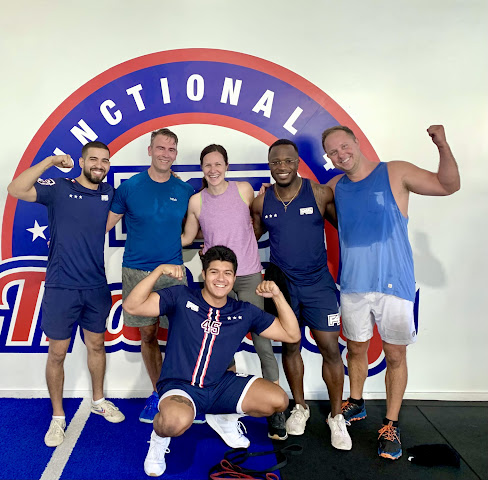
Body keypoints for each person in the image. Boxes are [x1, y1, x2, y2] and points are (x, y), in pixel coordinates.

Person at [323, 124, 460, 460]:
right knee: (355, 349)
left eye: (344, 146)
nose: (341, 155)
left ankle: (391, 424)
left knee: (395, 355)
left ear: (356, 142)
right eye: (333, 152)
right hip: (354, 284)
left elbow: (449, 186)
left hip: (394, 284)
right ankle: (356, 402)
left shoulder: (395, 172)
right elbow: (319, 209)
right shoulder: (335, 187)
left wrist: (442, 145)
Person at [122, 246, 300, 477]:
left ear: (234, 278)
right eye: (214, 272)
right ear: (204, 274)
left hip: (219, 386)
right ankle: (159, 438)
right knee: (173, 423)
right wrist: (158, 272)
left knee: (279, 400)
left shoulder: (243, 311)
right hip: (180, 386)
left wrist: (277, 296)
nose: (221, 278)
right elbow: (132, 306)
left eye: (227, 273)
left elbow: (291, 335)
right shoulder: (181, 296)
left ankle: (222, 417)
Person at [7, 141, 125, 447]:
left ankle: (98, 401)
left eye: (105, 160)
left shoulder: (109, 193)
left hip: (96, 286)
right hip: (61, 287)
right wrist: (50, 161)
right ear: (82, 162)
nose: (99, 165)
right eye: (93, 159)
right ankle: (58, 417)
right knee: (57, 353)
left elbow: (133, 203)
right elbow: (16, 189)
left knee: (96, 346)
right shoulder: (59, 188)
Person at [252, 139, 351, 451]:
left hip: (318, 285)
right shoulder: (261, 203)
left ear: (297, 163)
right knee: (290, 347)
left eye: (287, 161)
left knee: (330, 349)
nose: (282, 167)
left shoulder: (320, 193)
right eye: (275, 162)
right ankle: (300, 407)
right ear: (270, 165)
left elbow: (350, 228)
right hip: (283, 286)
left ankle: (336, 416)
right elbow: (246, 237)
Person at [180, 144, 283, 439]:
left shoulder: (243, 190)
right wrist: (153, 241)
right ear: (202, 168)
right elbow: (187, 237)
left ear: (226, 166)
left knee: (262, 341)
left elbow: (260, 218)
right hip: (218, 280)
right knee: (220, 343)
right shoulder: (196, 201)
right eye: (207, 165)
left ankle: (276, 410)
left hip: (248, 274)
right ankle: (226, 405)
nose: (213, 170)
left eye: (218, 164)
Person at [106, 128, 194, 423]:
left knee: (182, 336)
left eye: (171, 149)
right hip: (136, 271)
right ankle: (158, 393)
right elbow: (102, 225)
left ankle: (181, 395)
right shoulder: (129, 188)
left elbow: (202, 223)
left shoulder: (185, 191)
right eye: (160, 148)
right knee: (148, 334)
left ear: (176, 154)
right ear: (150, 150)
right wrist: (66, 235)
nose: (165, 154)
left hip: (173, 272)